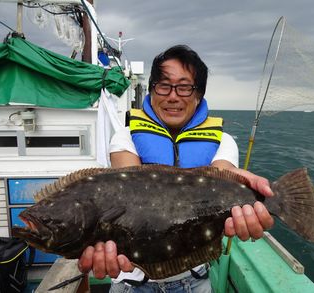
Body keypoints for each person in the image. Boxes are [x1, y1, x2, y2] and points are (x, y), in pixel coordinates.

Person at [78, 45, 274, 292]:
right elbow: (130, 195)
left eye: (184, 87)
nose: (173, 96)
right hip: (131, 279)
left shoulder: (223, 142)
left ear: (199, 94)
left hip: (193, 279)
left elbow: (220, 179)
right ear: (151, 90)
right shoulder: (125, 138)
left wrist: (245, 192)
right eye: (164, 85)